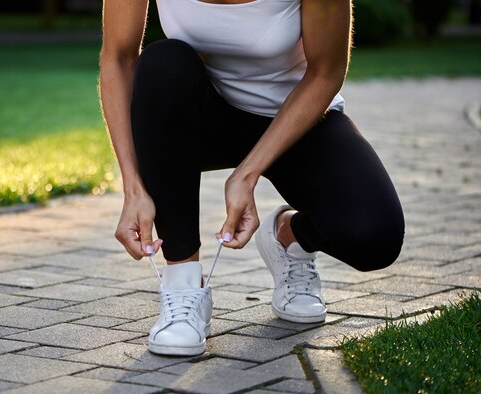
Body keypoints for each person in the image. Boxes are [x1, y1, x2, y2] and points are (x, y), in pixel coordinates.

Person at [99, 0, 405, 356]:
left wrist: (248, 173)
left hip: (293, 119)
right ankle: (183, 289)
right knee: (163, 64)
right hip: (203, 118)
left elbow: (326, 72)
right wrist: (133, 187)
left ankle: (288, 238)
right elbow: (118, 58)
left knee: (374, 237)